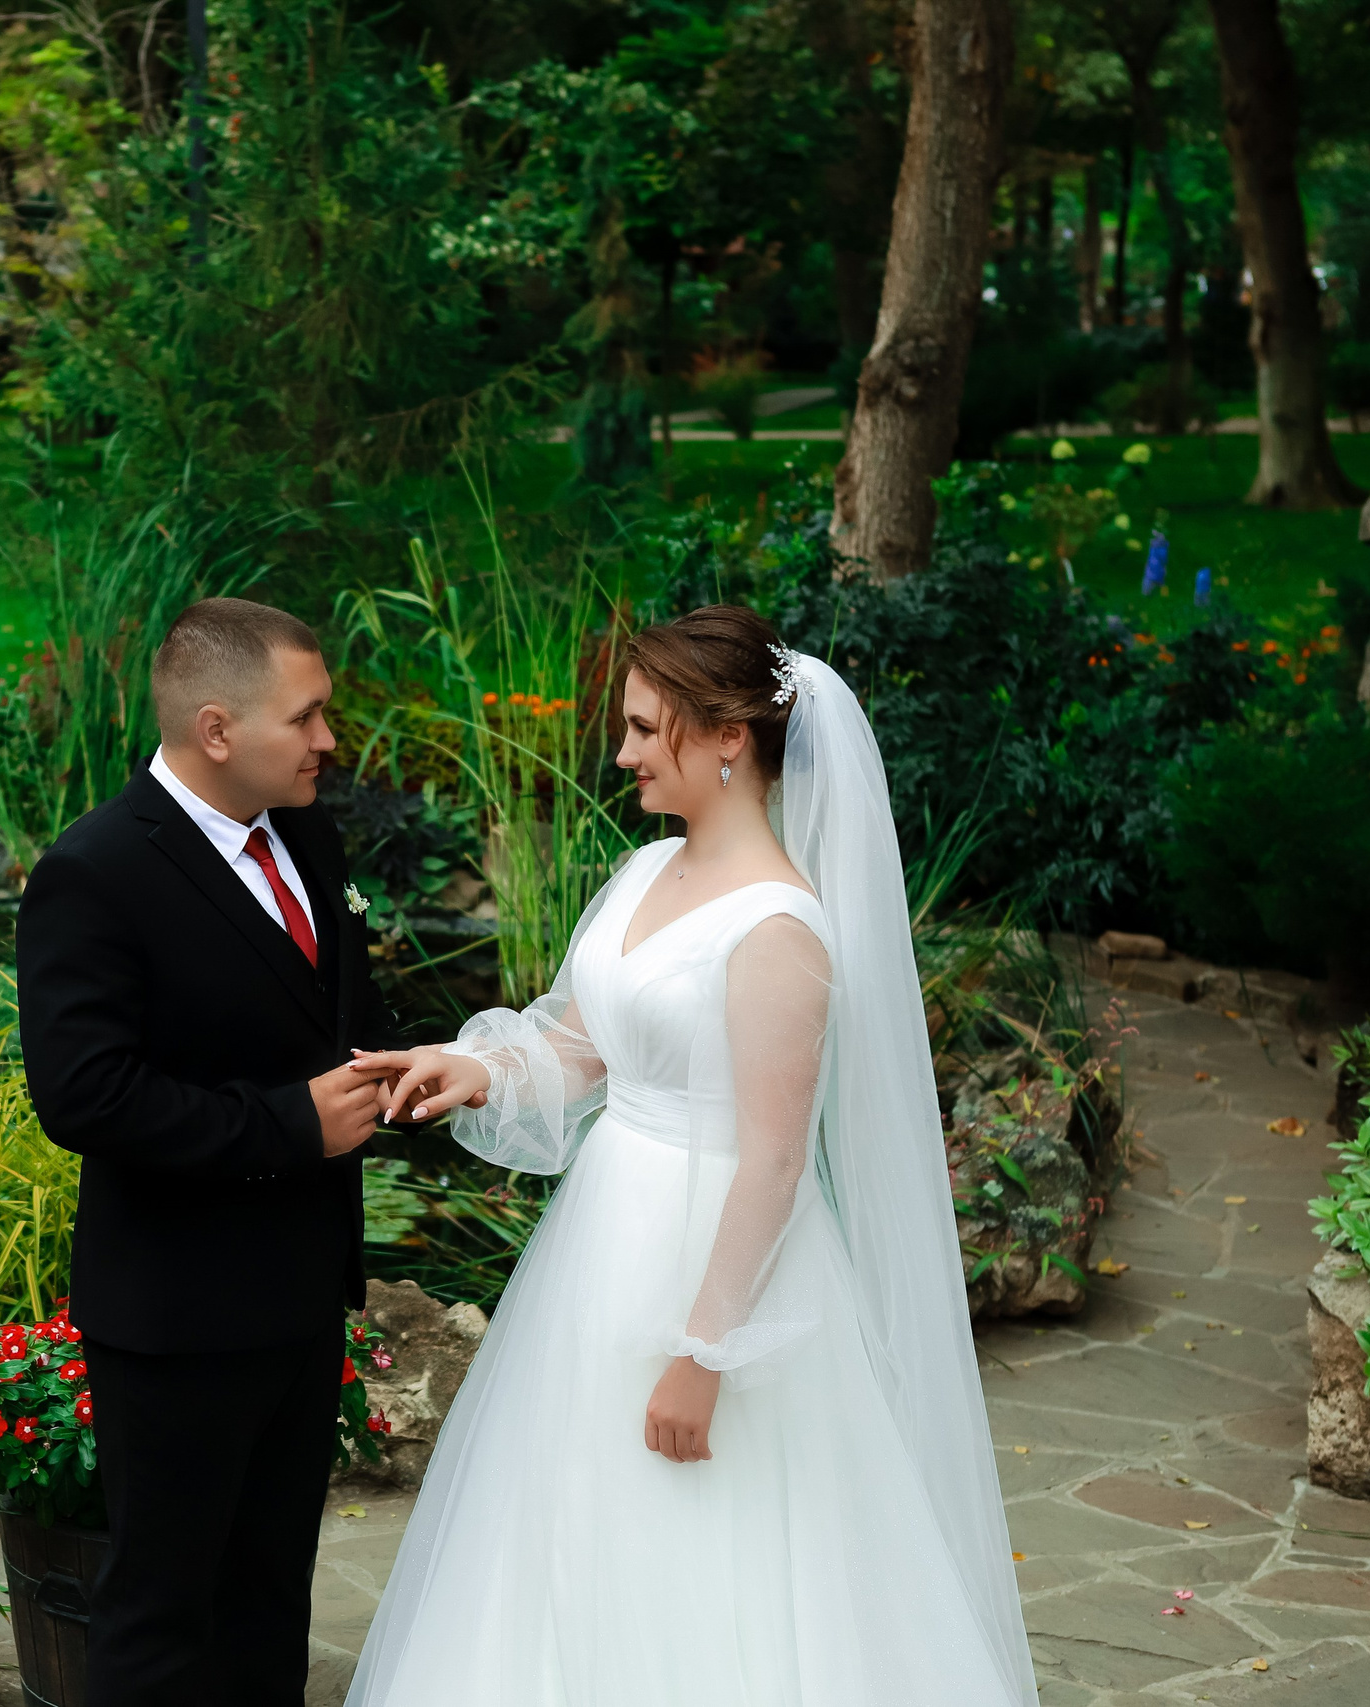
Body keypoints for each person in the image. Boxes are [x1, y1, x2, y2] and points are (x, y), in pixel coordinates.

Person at [344, 605, 1038, 1706]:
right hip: (603, 1246)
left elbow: (771, 1161)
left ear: (727, 738)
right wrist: (477, 1067)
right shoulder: (639, 871)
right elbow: (585, 1044)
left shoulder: (779, 932)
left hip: (713, 1267)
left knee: (716, 1545)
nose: (619, 755)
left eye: (642, 730)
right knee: (568, 1525)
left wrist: (703, 1356)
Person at [18, 597, 401, 1707]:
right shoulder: (95, 869)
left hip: (299, 1295)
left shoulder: (312, 839)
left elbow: (342, 1029)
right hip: (176, 1316)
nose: (330, 739)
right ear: (218, 729)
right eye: (310, 716)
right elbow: (85, 1096)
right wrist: (291, 1124)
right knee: (160, 1611)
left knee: (271, 1596)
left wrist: (423, 1082)